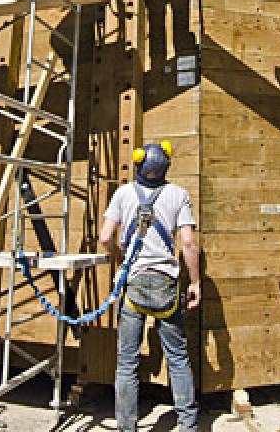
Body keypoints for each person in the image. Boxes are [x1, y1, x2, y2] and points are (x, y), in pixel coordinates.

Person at [99, 140, 201, 432]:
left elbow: (106, 237)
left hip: (132, 284)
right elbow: (188, 243)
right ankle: (187, 425)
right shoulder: (178, 195)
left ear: (138, 164)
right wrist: (195, 282)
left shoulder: (122, 194)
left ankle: (127, 427)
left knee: (127, 362)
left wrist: (120, 261)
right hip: (166, 285)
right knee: (178, 359)